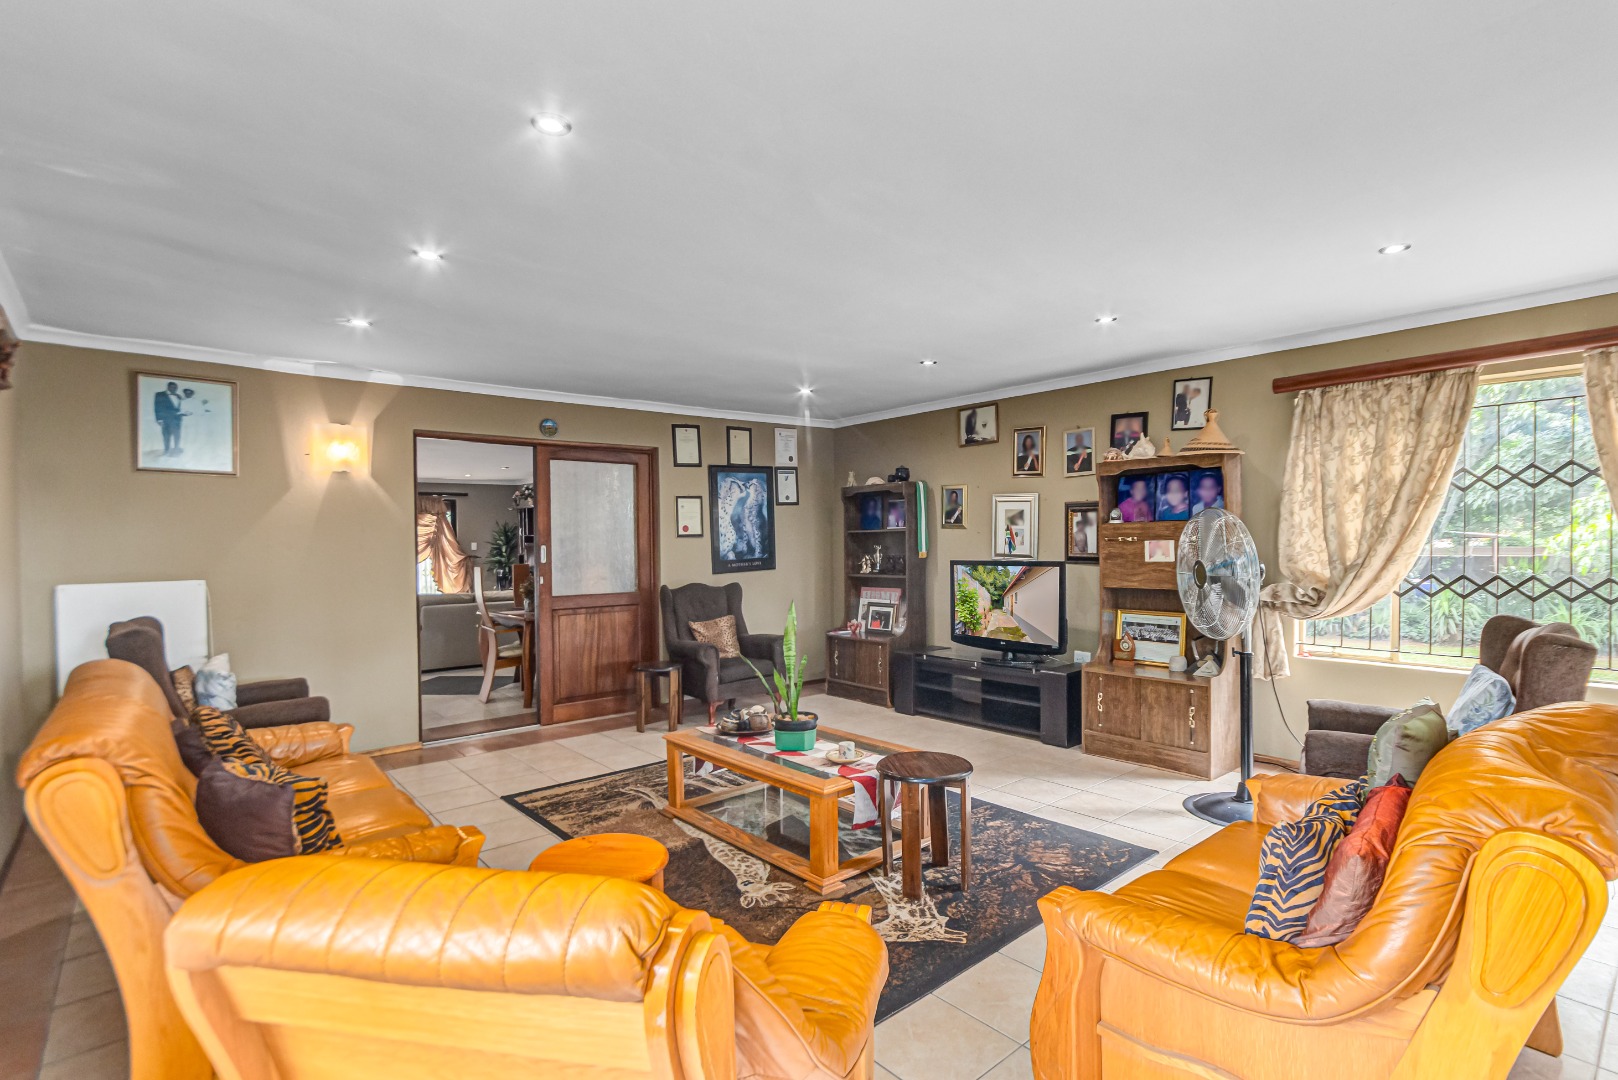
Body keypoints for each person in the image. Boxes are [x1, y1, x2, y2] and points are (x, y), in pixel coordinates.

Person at [153, 381, 185, 456]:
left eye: (176, 387)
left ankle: (176, 450)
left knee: (177, 435)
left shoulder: (179, 396)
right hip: (166, 419)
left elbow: (180, 408)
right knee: (166, 436)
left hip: (177, 420)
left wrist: (183, 413)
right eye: (172, 387)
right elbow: (157, 407)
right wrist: (159, 419)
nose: (174, 389)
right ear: (168, 387)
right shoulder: (159, 394)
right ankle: (167, 451)